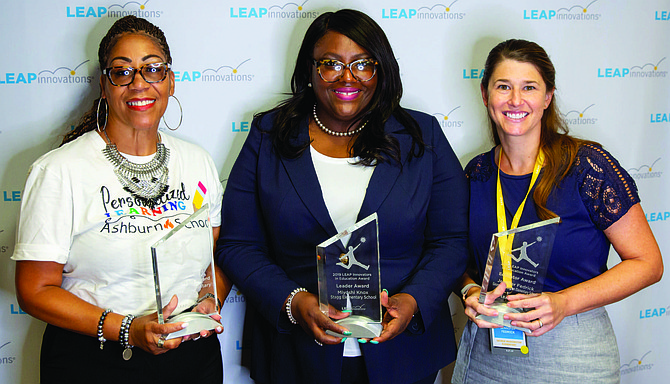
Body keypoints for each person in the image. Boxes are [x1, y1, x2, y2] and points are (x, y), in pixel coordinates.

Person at [216, 9, 468, 384]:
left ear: (381, 69)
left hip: (402, 359)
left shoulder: (422, 136)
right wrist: (294, 302)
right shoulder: (268, 134)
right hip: (296, 356)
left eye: (362, 64)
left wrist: (412, 302)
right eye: (331, 63)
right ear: (310, 68)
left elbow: (451, 242)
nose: (347, 78)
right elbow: (238, 244)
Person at [12, 16, 229, 383]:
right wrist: (127, 328)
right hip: (93, 361)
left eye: (152, 69)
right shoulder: (60, 170)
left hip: (191, 357)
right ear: (105, 85)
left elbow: (215, 254)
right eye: (122, 72)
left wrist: (210, 300)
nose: (139, 84)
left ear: (171, 81)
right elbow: (34, 290)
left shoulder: (197, 162)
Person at [452, 39, 663, 383]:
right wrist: (469, 290)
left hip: (572, 352)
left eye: (529, 87)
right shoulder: (475, 173)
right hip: (486, 353)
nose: (515, 100)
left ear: (547, 97)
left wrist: (563, 303)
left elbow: (648, 264)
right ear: (485, 94)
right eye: (503, 86)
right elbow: (457, 260)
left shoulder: (586, 166)